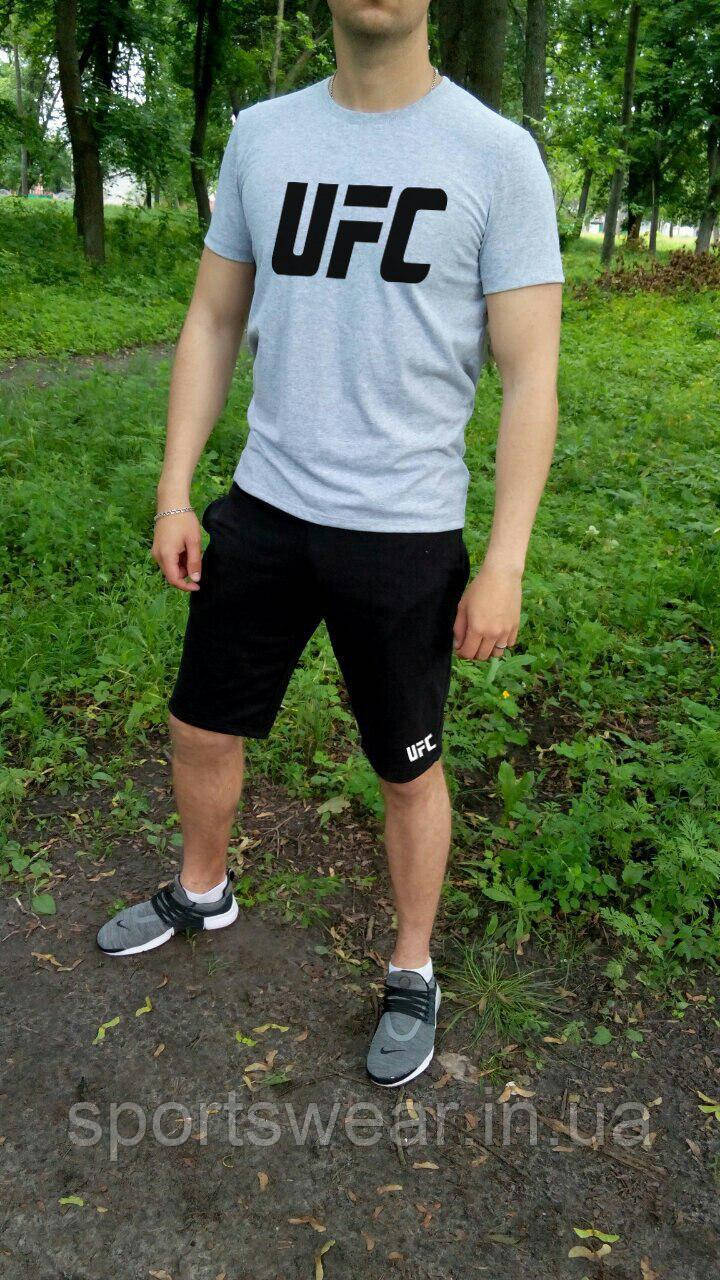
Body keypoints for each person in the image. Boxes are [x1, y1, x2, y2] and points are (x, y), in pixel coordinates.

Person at [97, 0, 563, 1089]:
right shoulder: (264, 135)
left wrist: (506, 559)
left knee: (408, 766)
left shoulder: (497, 154)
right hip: (265, 506)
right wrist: (175, 492)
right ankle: (203, 888)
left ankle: (412, 965)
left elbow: (531, 372)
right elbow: (215, 319)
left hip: (405, 530)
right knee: (200, 722)